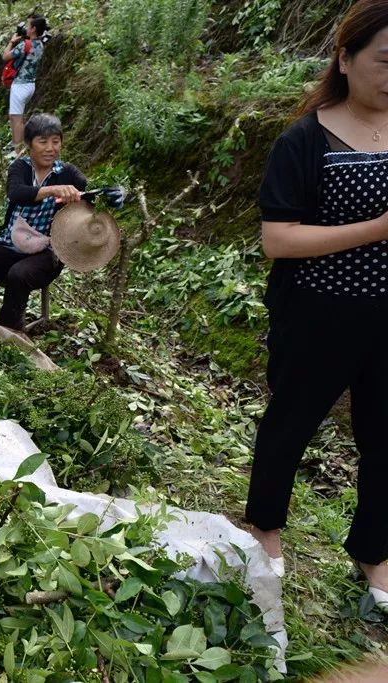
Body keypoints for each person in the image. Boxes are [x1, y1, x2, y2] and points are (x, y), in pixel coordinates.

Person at [247, 0, 388, 611]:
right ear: (346, 59)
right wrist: (377, 228)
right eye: (384, 61)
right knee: (290, 427)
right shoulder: (306, 139)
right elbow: (278, 240)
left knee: (385, 439)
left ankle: (375, 554)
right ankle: (266, 534)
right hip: (317, 312)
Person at [0, 114, 85, 331]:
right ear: (29, 144)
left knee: (19, 274)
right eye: (43, 142)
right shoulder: (20, 168)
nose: (50, 148)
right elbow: (17, 194)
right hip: (10, 246)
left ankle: (7, 330)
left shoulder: (67, 172)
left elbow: (92, 191)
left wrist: (114, 194)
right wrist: (52, 190)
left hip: (47, 254)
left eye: (55, 141)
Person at [3, 16, 48, 150]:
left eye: (28, 27)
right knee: (19, 116)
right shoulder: (40, 44)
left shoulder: (25, 45)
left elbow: (5, 56)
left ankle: (18, 151)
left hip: (20, 86)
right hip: (30, 85)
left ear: (33, 29)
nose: (26, 29)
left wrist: (11, 42)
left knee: (15, 118)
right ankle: (20, 144)